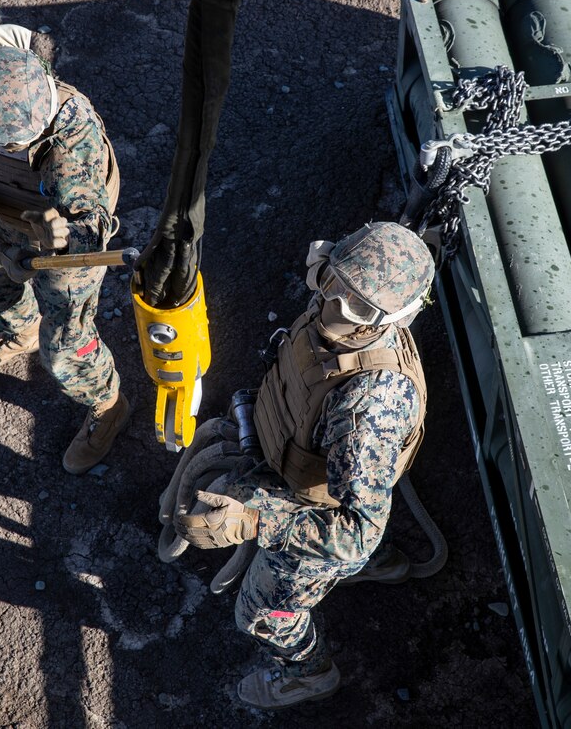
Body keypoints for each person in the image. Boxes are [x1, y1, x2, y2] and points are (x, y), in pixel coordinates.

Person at [174, 221, 435, 710]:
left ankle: (308, 673)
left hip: (327, 516)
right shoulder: (341, 328)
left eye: (358, 304)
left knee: (260, 613)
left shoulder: (367, 406)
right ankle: (382, 566)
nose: (334, 307)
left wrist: (252, 521)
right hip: (319, 479)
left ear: (390, 318)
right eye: (334, 284)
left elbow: (358, 531)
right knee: (360, 507)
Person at [0, 24, 130, 474]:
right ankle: (23, 331)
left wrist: (65, 239)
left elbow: (90, 217)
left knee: (65, 347)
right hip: (7, 226)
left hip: (67, 240)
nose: (13, 147)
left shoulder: (72, 126)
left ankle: (108, 406)